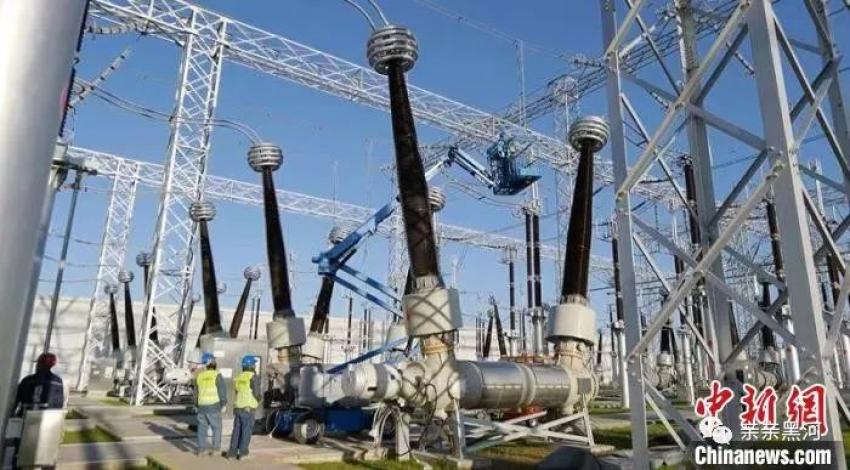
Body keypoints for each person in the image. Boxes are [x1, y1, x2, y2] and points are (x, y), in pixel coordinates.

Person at [226, 355, 261, 460]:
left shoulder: (239, 377)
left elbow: (237, 391)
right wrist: (258, 400)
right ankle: (243, 453)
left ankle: (232, 453)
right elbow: (257, 393)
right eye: (254, 364)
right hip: (248, 408)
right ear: (251, 365)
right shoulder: (253, 377)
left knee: (236, 431)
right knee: (246, 431)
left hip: (238, 407)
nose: (255, 365)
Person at [194, 352, 226, 456]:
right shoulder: (217, 375)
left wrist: (196, 405)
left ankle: (201, 450)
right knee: (216, 428)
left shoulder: (199, 376)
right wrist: (223, 404)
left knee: (202, 429)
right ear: (211, 362)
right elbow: (222, 391)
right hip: (214, 406)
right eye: (214, 360)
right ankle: (215, 449)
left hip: (201, 407)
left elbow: (196, 393)